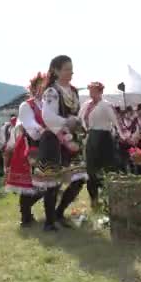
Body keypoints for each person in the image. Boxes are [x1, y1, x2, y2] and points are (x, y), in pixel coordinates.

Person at [33, 55, 87, 231]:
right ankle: (49, 222)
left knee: (79, 179)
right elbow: (47, 117)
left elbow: (76, 114)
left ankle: (59, 212)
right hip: (53, 141)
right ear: (56, 71)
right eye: (66, 69)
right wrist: (66, 123)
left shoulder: (73, 91)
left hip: (71, 139)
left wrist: (78, 126)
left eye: (71, 68)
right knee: (53, 182)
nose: (71, 72)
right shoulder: (51, 91)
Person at [5, 72, 47, 227]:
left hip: (44, 145)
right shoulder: (26, 105)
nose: (43, 89)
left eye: (45, 86)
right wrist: (45, 129)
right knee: (28, 184)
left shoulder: (47, 105)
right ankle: (25, 216)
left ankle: (27, 212)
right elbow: (30, 125)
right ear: (34, 87)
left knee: (45, 183)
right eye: (40, 86)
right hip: (29, 146)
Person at [80, 81, 125, 208]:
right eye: (90, 90)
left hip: (104, 139)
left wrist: (124, 136)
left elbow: (117, 121)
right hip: (91, 139)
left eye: (94, 90)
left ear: (100, 92)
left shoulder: (106, 105)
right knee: (91, 170)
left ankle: (110, 200)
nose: (91, 93)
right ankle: (94, 200)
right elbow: (79, 119)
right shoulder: (85, 105)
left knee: (108, 169)